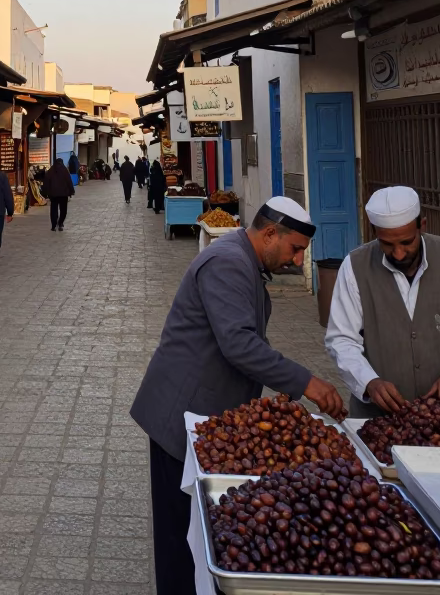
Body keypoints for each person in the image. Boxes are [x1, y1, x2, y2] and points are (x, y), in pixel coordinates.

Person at [131, 196, 346, 595]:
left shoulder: (243, 260)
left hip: (203, 414)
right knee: (180, 535)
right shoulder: (228, 262)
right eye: (295, 249)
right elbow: (240, 345)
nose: (298, 261)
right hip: (179, 416)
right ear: (268, 234)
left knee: (199, 532)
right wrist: (307, 383)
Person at [325, 185, 440, 418]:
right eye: (387, 245)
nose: (399, 254)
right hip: (379, 420)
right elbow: (341, 340)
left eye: (406, 242)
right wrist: (369, 382)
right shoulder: (354, 267)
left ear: (422, 225)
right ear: (375, 233)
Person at [44, 158, 75, 231]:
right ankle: (60, 223)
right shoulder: (65, 170)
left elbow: (46, 183)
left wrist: (46, 193)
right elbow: (69, 181)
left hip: (53, 194)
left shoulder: (50, 171)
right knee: (63, 210)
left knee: (54, 210)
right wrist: (71, 191)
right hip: (63, 195)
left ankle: (53, 226)